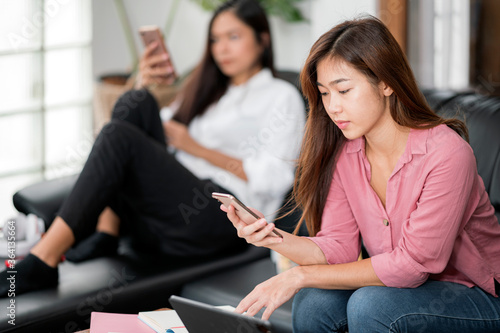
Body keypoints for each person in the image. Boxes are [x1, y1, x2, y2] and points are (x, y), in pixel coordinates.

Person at [0, 0, 305, 296]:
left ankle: (45, 259)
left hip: (222, 216)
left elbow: (275, 178)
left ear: (262, 40)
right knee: (137, 102)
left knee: (121, 135)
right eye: (215, 39)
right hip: (170, 211)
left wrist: (196, 147)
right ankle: (107, 230)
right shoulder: (207, 91)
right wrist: (140, 81)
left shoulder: (281, 97)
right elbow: (143, 127)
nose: (221, 48)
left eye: (233, 37)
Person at [222, 16, 500, 332]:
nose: (333, 107)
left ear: (385, 82)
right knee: (315, 302)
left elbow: (413, 265)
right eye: (325, 93)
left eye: (343, 90)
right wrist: (268, 236)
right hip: (408, 292)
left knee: (371, 305)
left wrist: (298, 275)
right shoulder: (347, 154)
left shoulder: (446, 153)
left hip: (482, 295)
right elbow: (338, 248)